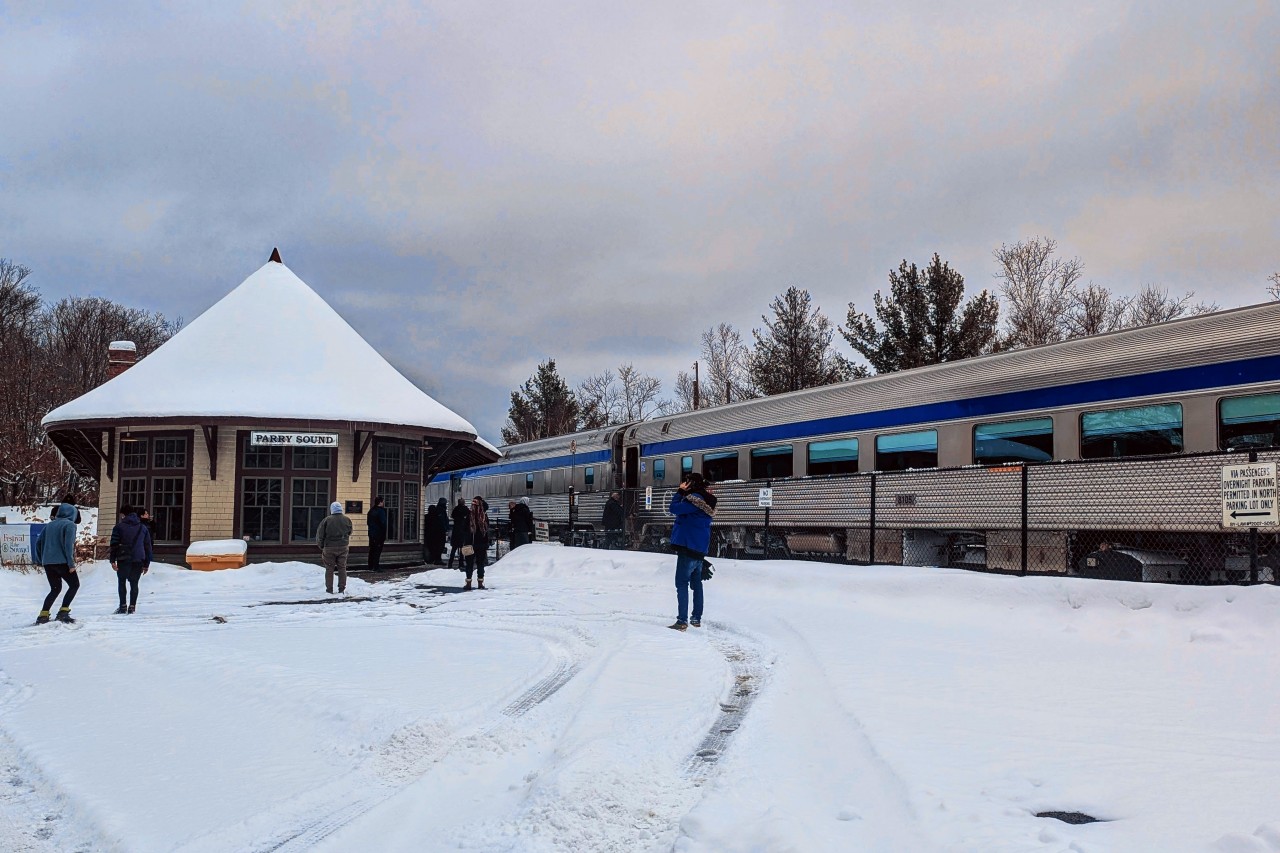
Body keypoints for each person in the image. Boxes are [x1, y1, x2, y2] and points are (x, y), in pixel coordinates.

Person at [667, 472, 717, 631]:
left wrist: (680, 492)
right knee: (696, 583)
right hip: (699, 548)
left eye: (686, 482)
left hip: (687, 548)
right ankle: (696, 618)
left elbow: (673, 508)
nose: (684, 484)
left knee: (681, 583)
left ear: (691, 484)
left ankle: (682, 621)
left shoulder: (694, 500)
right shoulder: (708, 501)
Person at [35, 501, 80, 624]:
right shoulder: (70, 525)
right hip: (62, 562)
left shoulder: (49, 525)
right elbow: (68, 545)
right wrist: (71, 564)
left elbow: (38, 543)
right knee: (74, 585)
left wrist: (41, 560)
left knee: (55, 589)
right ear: (73, 513)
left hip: (48, 563)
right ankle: (63, 612)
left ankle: (43, 615)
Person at [110, 504, 153, 614]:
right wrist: (146, 564)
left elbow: (114, 544)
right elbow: (148, 546)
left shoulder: (118, 527)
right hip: (138, 559)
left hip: (123, 558)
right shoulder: (142, 528)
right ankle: (132, 606)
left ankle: (123, 606)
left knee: (122, 582)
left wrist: (112, 560)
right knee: (134, 583)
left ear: (123, 514)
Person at [316, 501, 353, 594]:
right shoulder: (347, 520)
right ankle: (342, 589)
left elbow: (320, 534)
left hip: (329, 547)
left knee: (329, 569)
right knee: (342, 568)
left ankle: (329, 589)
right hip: (343, 546)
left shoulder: (327, 520)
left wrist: (321, 545)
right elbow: (350, 532)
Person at [465, 495, 490, 590]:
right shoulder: (484, 515)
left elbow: (465, 529)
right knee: (480, 563)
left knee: (469, 563)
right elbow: (487, 528)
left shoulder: (469, 515)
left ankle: (468, 583)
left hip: (470, 542)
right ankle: (480, 583)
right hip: (482, 543)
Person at [448, 497, 471, 569]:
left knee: (454, 548)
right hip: (462, 531)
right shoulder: (465, 510)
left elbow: (453, 516)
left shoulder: (455, 509)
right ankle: (461, 563)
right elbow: (469, 517)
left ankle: (450, 564)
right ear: (463, 503)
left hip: (455, 531)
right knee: (463, 548)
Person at [367, 496, 388, 573]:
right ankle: (376, 566)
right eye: (382, 501)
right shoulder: (381, 511)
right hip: (379, 534)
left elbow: (368, 522)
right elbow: (383, 522)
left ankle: (370, 565)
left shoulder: (371, 510)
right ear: (380, 502)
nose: (383, 503)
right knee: (377, 550)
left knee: (372, 549)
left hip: (371, 533)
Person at [428, 498, 449, 563]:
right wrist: (445, 528)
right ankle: (438, 559)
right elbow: (442, 521)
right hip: (440, 531)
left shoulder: (437, 510)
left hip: (435, 531)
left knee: (436, 545)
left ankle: (435, 558)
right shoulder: (442, 511)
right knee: (440, 545)